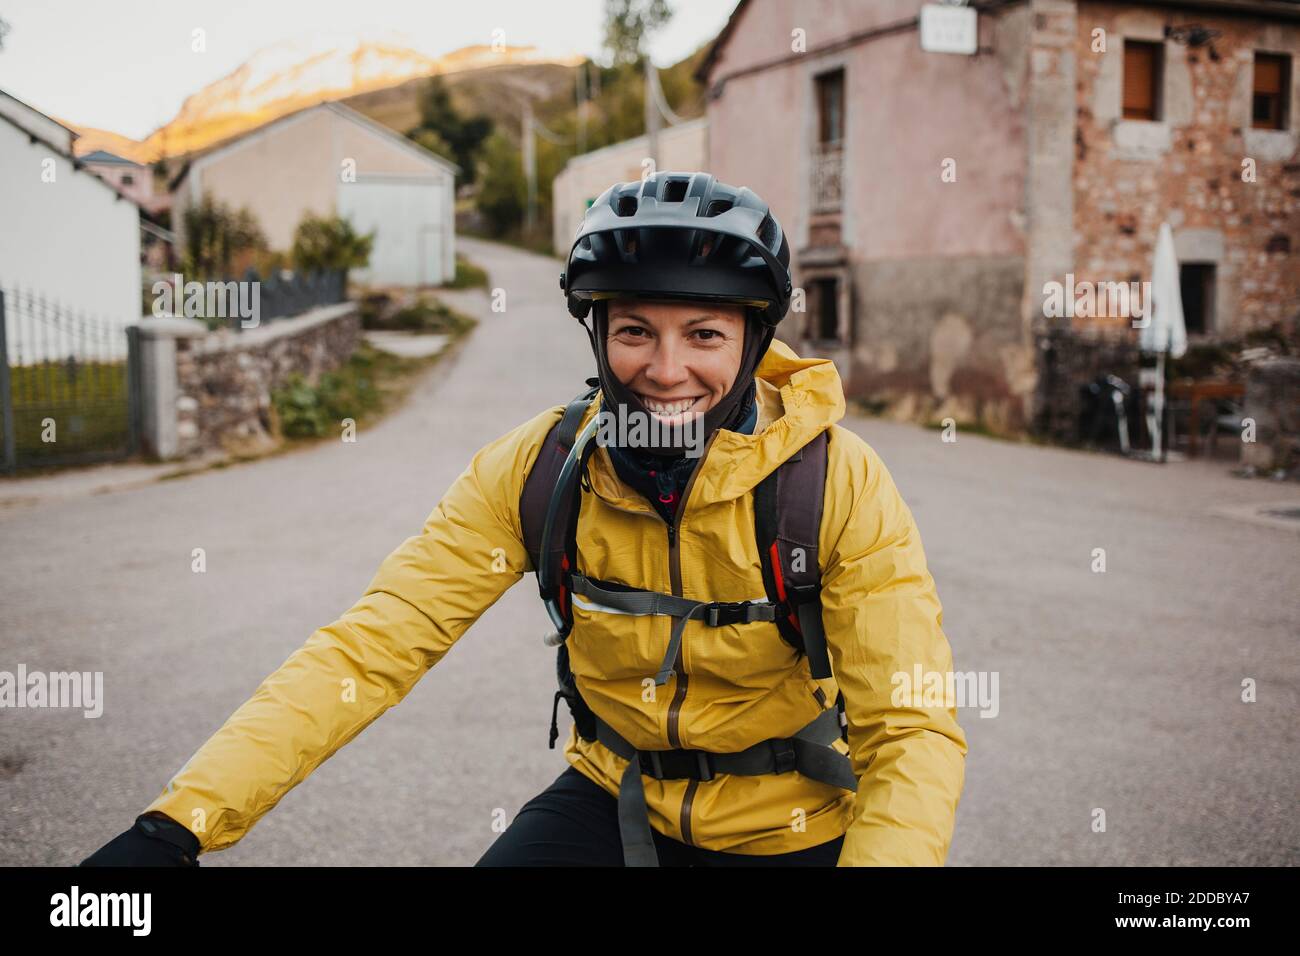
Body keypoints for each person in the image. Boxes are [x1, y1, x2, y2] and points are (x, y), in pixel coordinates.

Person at [82, 172, 967, 868]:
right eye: (635, 331)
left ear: (751, 341)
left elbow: (911, 728)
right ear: (598, 336)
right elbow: (372, 647)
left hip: (794, 824)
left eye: (703, 334)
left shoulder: (831, 482)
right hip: (616, 801)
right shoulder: (541, 469)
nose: (666, 370)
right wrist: (178, 824)